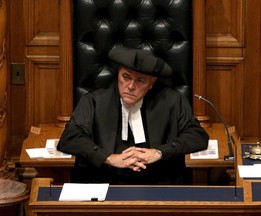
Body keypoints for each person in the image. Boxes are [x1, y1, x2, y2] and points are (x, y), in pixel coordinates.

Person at [57, 46, 209, 185]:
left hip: (158, 185)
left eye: (140, 80)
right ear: (118, 75)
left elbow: (197, 136)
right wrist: (109, 158)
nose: (130, 86)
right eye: (126, 77)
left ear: (152, 83)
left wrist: (159, 152)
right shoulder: (94, 100)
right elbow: (70, 138)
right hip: (104, 183)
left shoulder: (171, 100)